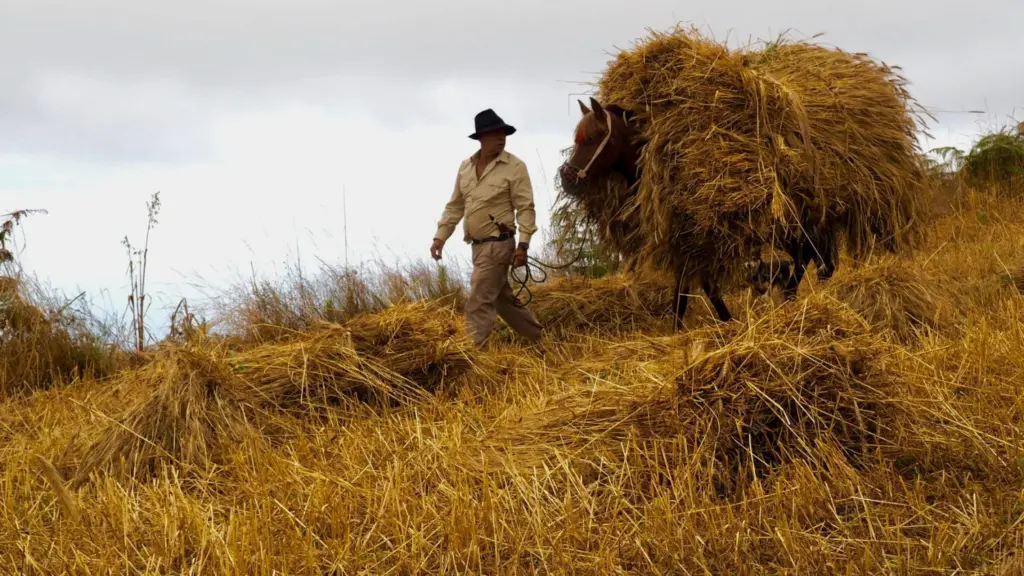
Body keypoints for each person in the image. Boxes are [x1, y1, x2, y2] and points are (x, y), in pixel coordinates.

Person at [430, 109, 544, 348]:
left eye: (504, 133)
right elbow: (455, 206)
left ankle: (472, 355)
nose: (501, 138)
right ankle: (539, 339)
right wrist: (441, 237)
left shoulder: (515, 167)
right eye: (495, 134)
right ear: (481, 137)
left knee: (479, 301)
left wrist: (523, 245)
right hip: (477, 246)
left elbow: (526, 208)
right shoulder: (465, 167)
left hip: (499, 244)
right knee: (503, 301)